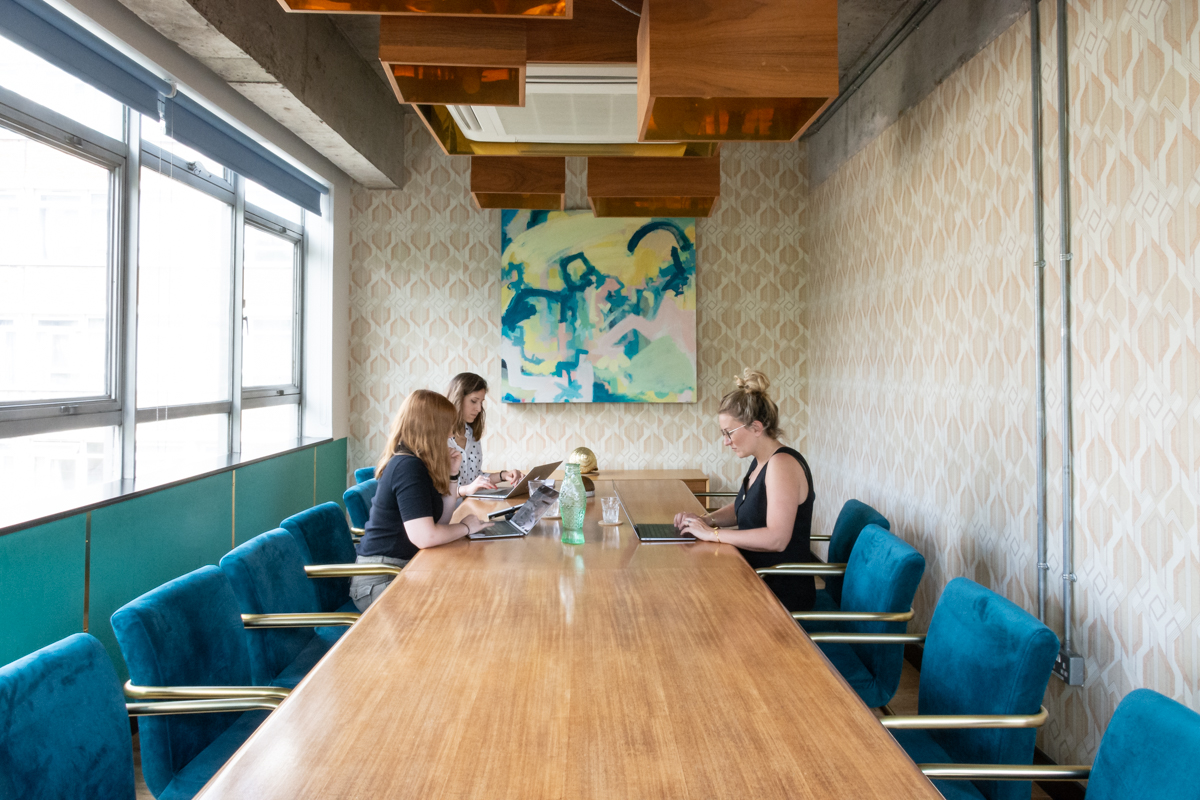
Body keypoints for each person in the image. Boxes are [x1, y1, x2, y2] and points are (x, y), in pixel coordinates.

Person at [674, 370, 816, 611]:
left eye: (729, 433)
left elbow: (777, 539)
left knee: (695, 602)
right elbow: (744, 507)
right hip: (754, 575)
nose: (726, 441)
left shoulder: (782, 464)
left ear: (756, 427)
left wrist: (713, 534)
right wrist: (703, 521)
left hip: (778, 591)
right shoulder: (761, 462)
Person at [351, 389, 492, 611]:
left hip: (405, 568)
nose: (451, 435)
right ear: (431, 428)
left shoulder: (417, 463)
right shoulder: (407, 467)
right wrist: (466, 527)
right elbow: (425, 537)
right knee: (461, 602)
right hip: (381, 580)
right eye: (447, 426)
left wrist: (452, 475)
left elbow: (441, 522)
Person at [446, 372, 524, 497]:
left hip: (473, 504)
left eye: (481, 402)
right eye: (474, 401)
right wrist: (466, 490)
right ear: (457, 399)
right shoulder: (438, 437)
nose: (479, 408)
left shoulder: (471, 434)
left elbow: (476, 478)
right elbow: (434, 492)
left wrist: (504, 475)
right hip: (452, 508)